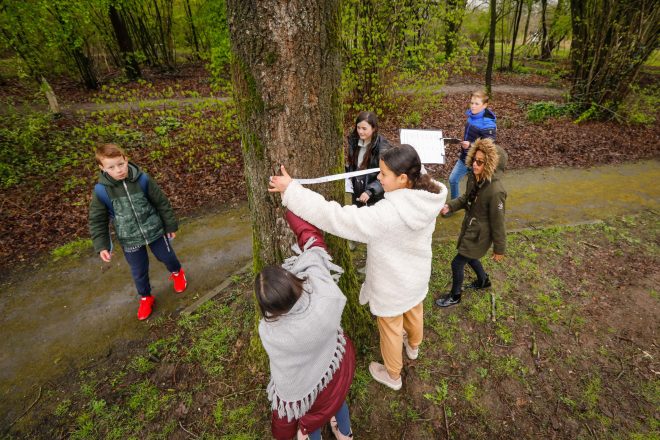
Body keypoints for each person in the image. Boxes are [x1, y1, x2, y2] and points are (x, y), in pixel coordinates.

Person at [268, 144, 448, 391]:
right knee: (415, 309)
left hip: (392, 284)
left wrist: (292, 191)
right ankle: (414, 346)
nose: (378, 177)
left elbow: (337, 217)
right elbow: (416, 168)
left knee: (391, 328)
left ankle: (393, 375)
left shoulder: (387, 214)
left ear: (403, 178)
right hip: (416, 276)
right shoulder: (431, 192)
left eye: (384, 174)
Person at [256, 210, 355, 440]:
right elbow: (312, 241)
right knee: (338, 401)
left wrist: (284, 433)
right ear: (290, 278)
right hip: (337, 365)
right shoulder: (319, 286)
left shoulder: (270, 332)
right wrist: (291, 202)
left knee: (310, 426)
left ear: (269, 308)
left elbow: (286, 386)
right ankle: (346, 434)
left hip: (312, 394)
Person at [88, 143, 187, 321]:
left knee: (167, 256)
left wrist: (169, 226)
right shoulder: (101, 191)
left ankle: (178, 273)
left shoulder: (142, 180)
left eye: (121, 164)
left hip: (155, 230)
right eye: (111, 167)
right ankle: (145, 297)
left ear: (126, 160)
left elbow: (161, 203)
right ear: (102, 168)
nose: (118, 170)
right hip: (129, 238)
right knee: (139, 270)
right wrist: (102, 245)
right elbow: (97, 220)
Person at [435, 138, 507, 308]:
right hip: (470, 226)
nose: (475, 164)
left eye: (481, 162)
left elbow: (499, 223)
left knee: (457, 262)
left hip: (480, 234)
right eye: (475, 159)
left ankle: (455, 295)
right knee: (471, 257)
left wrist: (499, 249)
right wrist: (450, 206)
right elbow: (467, 198)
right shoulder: (474, 178)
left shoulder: (496, 192)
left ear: (491, 165)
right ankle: (483, 280)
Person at [446, 90, 497, 209]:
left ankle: (472, 206)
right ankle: (454, 205)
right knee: (453, 179)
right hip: (464, 157)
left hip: (478, 161)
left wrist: (470, 145)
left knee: (474, 186)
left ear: (485, 105)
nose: (473, 106)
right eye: (472, 103)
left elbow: (489, 147)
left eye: (476, 104)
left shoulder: (488, 124)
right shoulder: (471, 117)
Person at [346, 111, 391, 206]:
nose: (360, 131)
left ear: (373, 128)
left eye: (364, 128)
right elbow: (353, 165)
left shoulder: (383, 147)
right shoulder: (354, 141)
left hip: (375, 197)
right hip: (356, 190)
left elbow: (388, 174)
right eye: (358, 127)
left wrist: (370, 191)